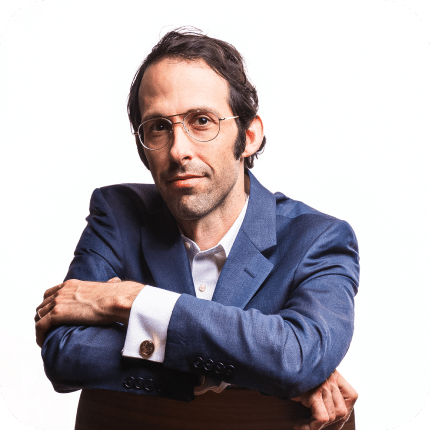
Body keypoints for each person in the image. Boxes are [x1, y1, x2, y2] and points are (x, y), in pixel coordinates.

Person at [35, 28, 359, 430]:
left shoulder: (319, 239)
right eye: (158, 127)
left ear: (249, 136)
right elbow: (65, 353)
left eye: (202, 121)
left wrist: (130, 300)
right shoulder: (118, 214)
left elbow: (298, 357)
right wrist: (249, 366)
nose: (178, 150)